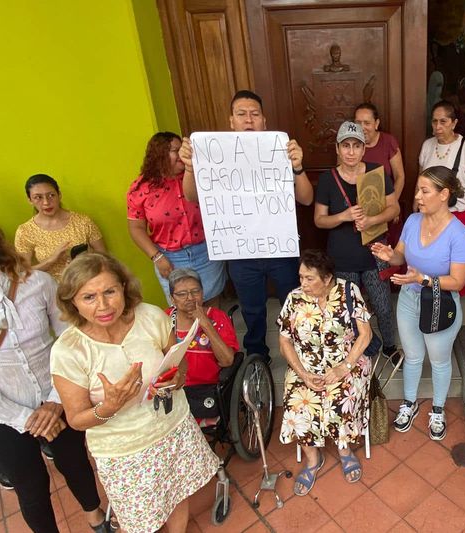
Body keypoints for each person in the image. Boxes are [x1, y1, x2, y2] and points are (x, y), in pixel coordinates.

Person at [51, 252, 220, 533]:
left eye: (110, 291)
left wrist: (175, 378)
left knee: (177, 494)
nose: (103, 305)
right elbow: (76, 419)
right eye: (88, 297)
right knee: (139, 520)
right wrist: (108, 407)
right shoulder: (68, 351)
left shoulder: (150, 316)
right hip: (126, 451)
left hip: (172, 427)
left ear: (124, 288)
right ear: (72, 302)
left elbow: (179, 363)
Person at [0, 204, 108, 533]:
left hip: (58, 397)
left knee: (76, 463)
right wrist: (26, 419)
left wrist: (56, 399)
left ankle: (97, 518)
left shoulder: (37, 282)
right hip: (0, 415)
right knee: (30, 487)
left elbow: (69, 340)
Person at [179, 89, 314, 361]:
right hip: (241, 251)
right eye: (242, 114)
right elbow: (193, 197)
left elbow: (306, 198)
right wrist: (190, 167)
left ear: (264, 120)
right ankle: (257, 354)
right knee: (252, 308)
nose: (249, 120)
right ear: (232, 121)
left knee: (294, 302)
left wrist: (298, 167)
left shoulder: (280, 151)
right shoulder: (214, 154)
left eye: (254, 114)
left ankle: (300, 347)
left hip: (280, 248)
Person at [371, 166, 465, 440]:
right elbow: (400, 258)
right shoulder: (413, 221)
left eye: (424, 191)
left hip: (441, 304)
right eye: (418, 189)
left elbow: (458, 281)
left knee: (439, 361)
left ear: (444, 194)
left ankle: (438, 409)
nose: (417, 196)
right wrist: (389, 255)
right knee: (413, 355)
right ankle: (409, 403)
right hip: (408, 299)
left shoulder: (459, 234)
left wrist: (424, 278)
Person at [277, 249, 372, 496]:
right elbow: (285, 341)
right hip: (305, 366)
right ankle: (312, 460)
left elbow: (366, 334)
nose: (303, 283)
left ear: (327, 278)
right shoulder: (294, 298)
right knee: (298, 404)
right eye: (301, 277)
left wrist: (344, 367)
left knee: (340, 401)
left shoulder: (348, 291)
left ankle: (344, 451)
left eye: (310, 278)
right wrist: (303, 373)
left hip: (346, 362)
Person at [314, 121, 400, 361]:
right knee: (350, 310)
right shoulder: (328, 179)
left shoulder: (377, 172)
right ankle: (368, 346)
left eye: (356, 146)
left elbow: (393, 208)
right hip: (342, 258)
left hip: (374, 253)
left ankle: (390, 347)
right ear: (337, 149)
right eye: (346, 145)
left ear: (364, 149)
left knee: (382, 306)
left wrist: (372, 219)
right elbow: (319, 220)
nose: (351, 151)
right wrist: (343, 216)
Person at [127, 131, 226, 306]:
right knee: (183, 308)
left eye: (183, 149)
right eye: (175, 150)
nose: (182, 154)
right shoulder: (141, 188)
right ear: (159, 155)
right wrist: (157, 257)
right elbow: (136, 228)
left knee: (211, 304)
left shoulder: (199, 176)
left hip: (206, 251)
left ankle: (214, 334)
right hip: (171, 257)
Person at [165, 268, 239, 424]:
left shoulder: (217, 317)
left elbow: (227, 361)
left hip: (207, 389)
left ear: (203, 293)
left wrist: (205, 323)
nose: (190, 298)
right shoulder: (164, 319)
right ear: (172, 298)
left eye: (195, 291)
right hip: (174, 387)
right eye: (182, 294)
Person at [14, 173, 106, 281]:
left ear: (59, 195)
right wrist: (51, 260)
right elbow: (23, 273)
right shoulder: (25, 231)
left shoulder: (83, 222)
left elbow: (104, 257)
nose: (46, 202)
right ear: (30, 200)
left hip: (85, 283)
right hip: (49, 288)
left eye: (51, 195)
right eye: (38, 197)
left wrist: (84, 263)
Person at [418, 100, 465, 231]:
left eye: (443, 121)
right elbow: (421, 177)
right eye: (434, 121)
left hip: (458, 212)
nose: (437, 126)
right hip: (430, 211)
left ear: (454, 123)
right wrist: (417, 203)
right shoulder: (427, 145)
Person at [354, 102, 406, 204]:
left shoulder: (388, 141)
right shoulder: (347, 145)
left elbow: (399, 177)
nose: (362, 128)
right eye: (358, 123)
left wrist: (392, 205)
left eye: (367, 123)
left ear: (376, 124)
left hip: (385, 204)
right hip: (356, 207)